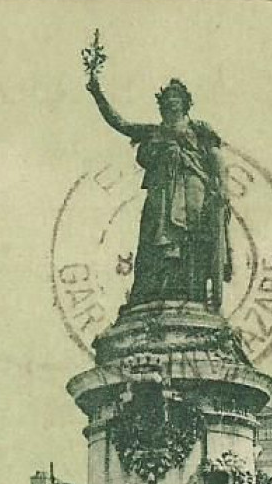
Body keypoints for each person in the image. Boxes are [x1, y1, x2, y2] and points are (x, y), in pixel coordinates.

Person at [86, 66, 231, 309]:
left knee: (192, 237)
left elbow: (217, 158)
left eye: (175, 98)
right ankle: (154, 290)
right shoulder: (153, 131)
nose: (170, 103)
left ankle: (193, 294)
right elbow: (120, 123)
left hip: (193, 187)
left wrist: (223, 188)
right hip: (161, 191)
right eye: (166, 99)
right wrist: (97, 94)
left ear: (185, 103)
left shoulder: (199, 129)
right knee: (154, 237)